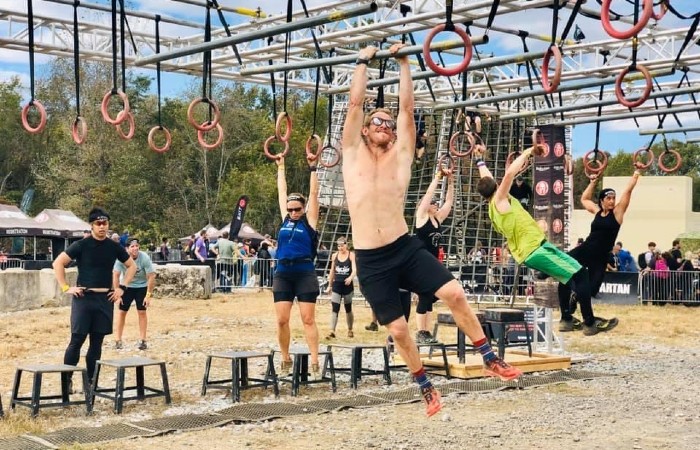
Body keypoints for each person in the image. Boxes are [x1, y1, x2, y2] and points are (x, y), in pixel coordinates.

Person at [341, 44, 521, 418]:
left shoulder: (401, 154)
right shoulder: (351, 152)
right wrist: (363, 62)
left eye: (389, 125)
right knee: (400, 331)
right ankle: (424, 385)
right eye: (378, 122)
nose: (385, 126)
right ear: (365, 129)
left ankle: (488, 356)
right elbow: (355, 105)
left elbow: (407, 109)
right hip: (371, 259)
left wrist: (406, 63)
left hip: (403, 247)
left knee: (454, 292)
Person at [471, 145, 597, 335]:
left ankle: (568, 318)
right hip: (534, 251)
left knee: (574, 274)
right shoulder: (500, 199)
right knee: (579, 275)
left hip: (538, 247)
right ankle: (589, 322)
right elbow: (509, 175)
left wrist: (479, 160)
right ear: (496, 187)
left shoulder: (492, 205)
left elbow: (486, 177)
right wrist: (528, 152)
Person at [52, 207, 136, 389]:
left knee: (97, 342)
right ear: (92, 225)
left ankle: (91, 383)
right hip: (84, 298)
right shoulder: (82, 245)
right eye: (98, 223)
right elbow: (58, 262)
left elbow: (132, 266)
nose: (102, 227)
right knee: (77, 341)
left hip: (104, 299)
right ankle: (66, 381)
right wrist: (66, 287)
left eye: (105, 223)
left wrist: (122, 287)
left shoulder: (114, 247)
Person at [557, 168, 644, 334]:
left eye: (613, 198)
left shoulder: (617, 213)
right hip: (586, 249)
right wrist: (593, 181)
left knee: (591, 289)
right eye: (608, 198)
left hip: (601, 257)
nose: (612, 201)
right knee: (562, 267)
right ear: (602, 201)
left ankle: (579, 306)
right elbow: (584, 198)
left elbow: (628, 190)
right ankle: (566, 315)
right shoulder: (596, 211)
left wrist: (636, 172)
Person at [273, 154, 321, 377]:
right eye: (290, 210)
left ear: (303, 209)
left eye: (296, 209)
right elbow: (281, 193)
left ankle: (314, 360)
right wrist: (281, 166)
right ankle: (285, 357)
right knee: (282, 319)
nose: (293, 213)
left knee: (307, 318)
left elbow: (313, 194)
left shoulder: (309, 221)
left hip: (304, 272)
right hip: (283, 272)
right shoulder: (285, 219)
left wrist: (313, 167)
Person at [413, 165, 454, 344]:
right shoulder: (421, 217)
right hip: (421, 263)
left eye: (437, 202)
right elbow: (429, 195)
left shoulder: (437, 219)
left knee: (431, 296)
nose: (436, 203)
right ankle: (421, 331)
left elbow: (449, 202)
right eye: (433, 202)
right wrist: (438, 176)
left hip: (434, 263)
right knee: (424, 296)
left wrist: (451, 180)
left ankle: (426, 332)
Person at [113, 238, 156, 350]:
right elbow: (116, 275)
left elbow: (151, 276)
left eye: (137, 246)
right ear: (127, 248)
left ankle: (143, 340)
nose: (135, 248)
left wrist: (148, 295)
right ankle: (118, 340)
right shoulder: (121, 258)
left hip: (141, 286)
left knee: (142, 311)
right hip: (126, 286)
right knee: (122, 312)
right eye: (132, 246)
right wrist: (117, 294)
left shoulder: (144, 257)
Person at [325, 237, 357, 339]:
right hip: (337, 284)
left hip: (347, 285)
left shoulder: (351, 255)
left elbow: (355, 269)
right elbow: (332, 271)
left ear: (346, 245)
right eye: (338, 246)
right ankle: (332, 330)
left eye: (342, 245)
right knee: (335, 308)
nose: (340, 248)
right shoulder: (334, 256)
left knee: (348, 308)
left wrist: (351, 278)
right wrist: (329, 285)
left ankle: (350, 329)